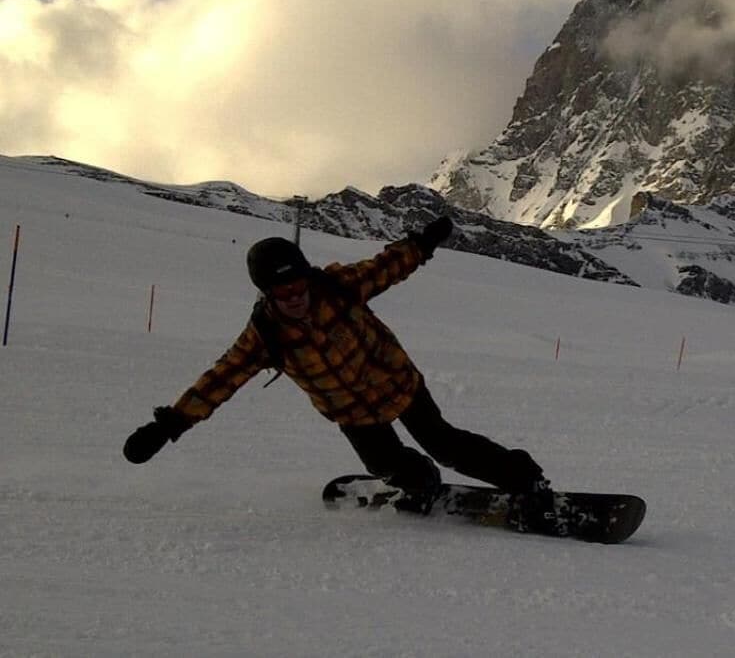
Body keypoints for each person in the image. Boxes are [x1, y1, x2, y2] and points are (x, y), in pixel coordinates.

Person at [122, 216, 551, 516]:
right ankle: (420, 483)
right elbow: (219, 381)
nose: (294, 297)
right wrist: (168, 425)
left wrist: (423, 244)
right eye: (281, 291)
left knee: (445, 442)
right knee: (386, 464)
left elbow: (386, 268)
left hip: (397, 381)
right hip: (352, 412)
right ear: (266, 294)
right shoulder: (265, 336)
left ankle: (523, 479)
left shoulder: (338, 287)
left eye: (297, 285)